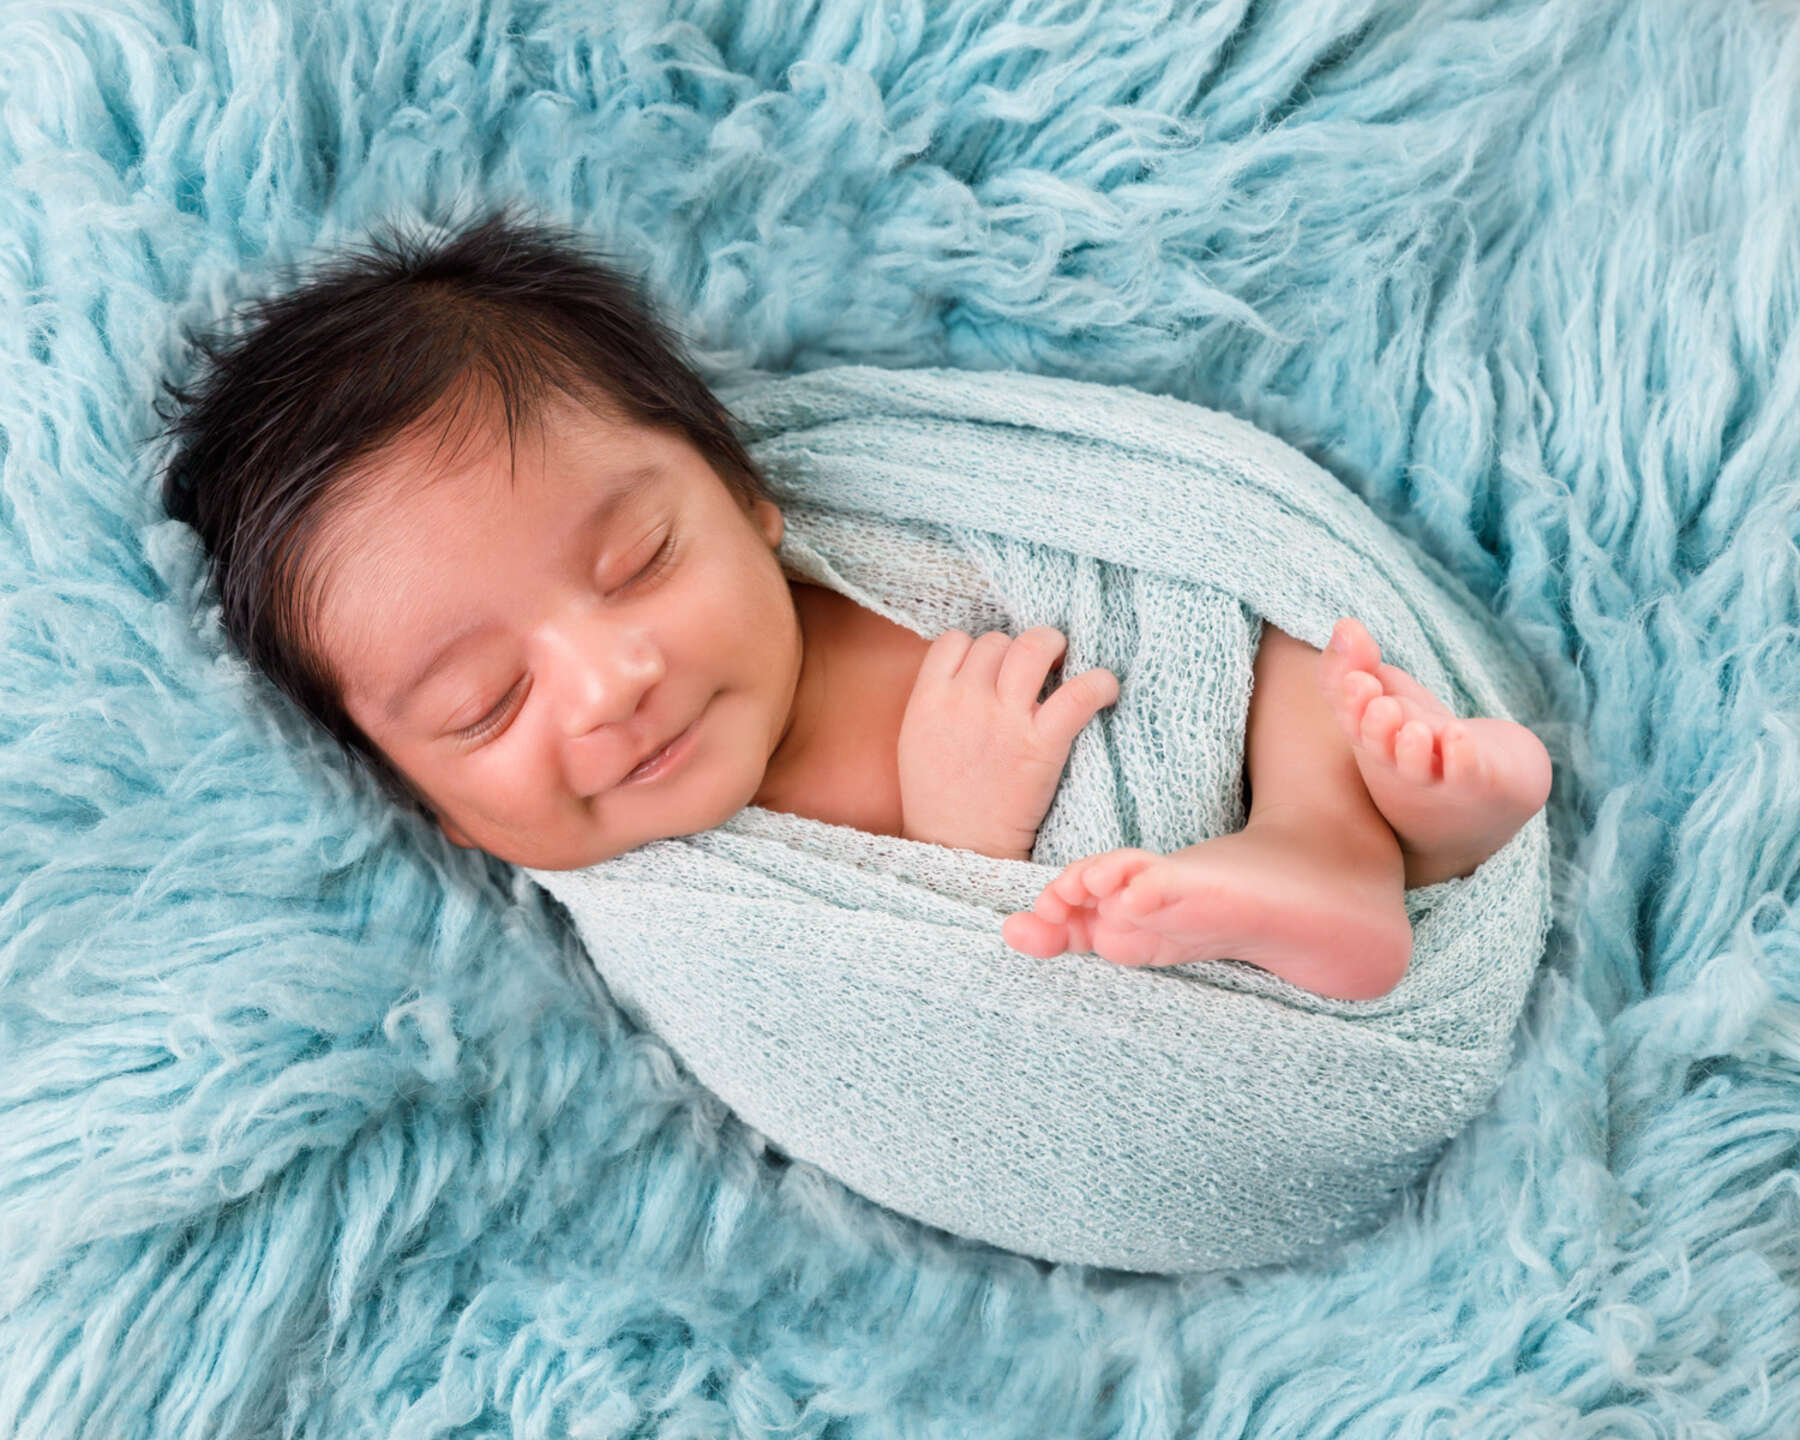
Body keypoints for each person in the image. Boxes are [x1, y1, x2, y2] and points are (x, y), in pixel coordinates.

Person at [158, 206, 1552, 1003]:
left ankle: (1380, 831)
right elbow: (909, 1029)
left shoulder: (873, 519)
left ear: (744, 493)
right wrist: (957, 842)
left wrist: (1194, 617)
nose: (609, 681)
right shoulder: (701, 914)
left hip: (1239, 742)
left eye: (641, 557)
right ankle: (1377, 850)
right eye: (486, 704)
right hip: (1161, 964)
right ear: (433, 804)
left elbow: (1160, 550)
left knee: (1295, 653)